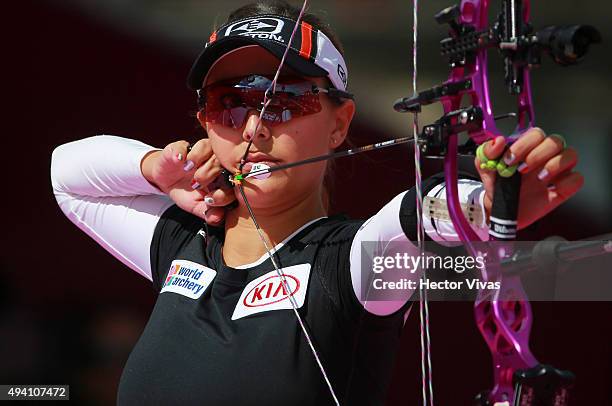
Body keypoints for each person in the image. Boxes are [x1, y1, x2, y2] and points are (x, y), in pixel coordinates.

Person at [50, 1, 582, 405]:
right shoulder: (183, 243)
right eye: (228, 105)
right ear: (205, 123)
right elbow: (67, 176)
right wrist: (155, 169)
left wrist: (490, 205)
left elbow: (415, 218)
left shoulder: (346, 265)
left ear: (339, 124)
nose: (253, 127)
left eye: (282, 102)